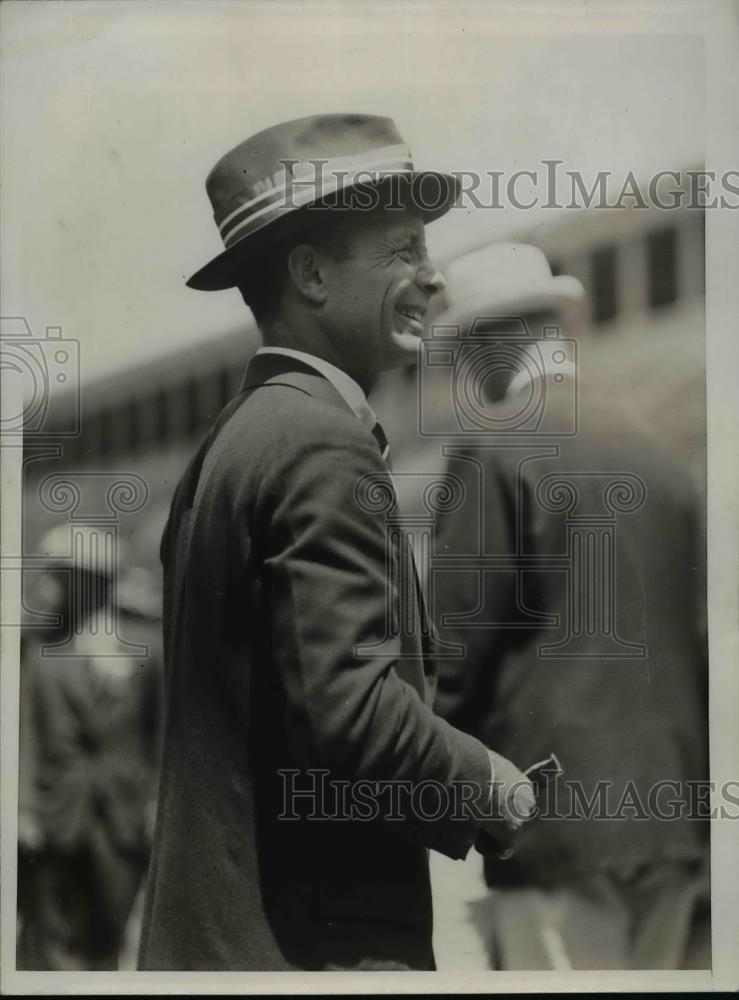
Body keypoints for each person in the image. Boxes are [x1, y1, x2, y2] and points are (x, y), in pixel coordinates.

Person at [137, 114, 536, 972]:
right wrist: (489, 783)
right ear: (311, 274)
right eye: (400, 251)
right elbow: (352, 713)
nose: (432, 278)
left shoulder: (233, 441)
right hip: (308, 951)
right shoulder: (321, 443)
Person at [431, 243, 710, 970]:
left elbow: (455, 654)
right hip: (672, 819)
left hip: (554, 821)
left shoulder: (490, 452)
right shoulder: (662, 459)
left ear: (487, 343)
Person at [17, 527, 161, 971]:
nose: (46, 588)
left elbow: (160, 736)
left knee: (109, 941)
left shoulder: (147, 651)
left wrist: (158, 802)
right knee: (53, 943)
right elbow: (26, 733)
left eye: (58, 577)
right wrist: (23, 808)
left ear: (89, 582)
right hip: (56, 816)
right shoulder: (40, 650)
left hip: (122, 820)